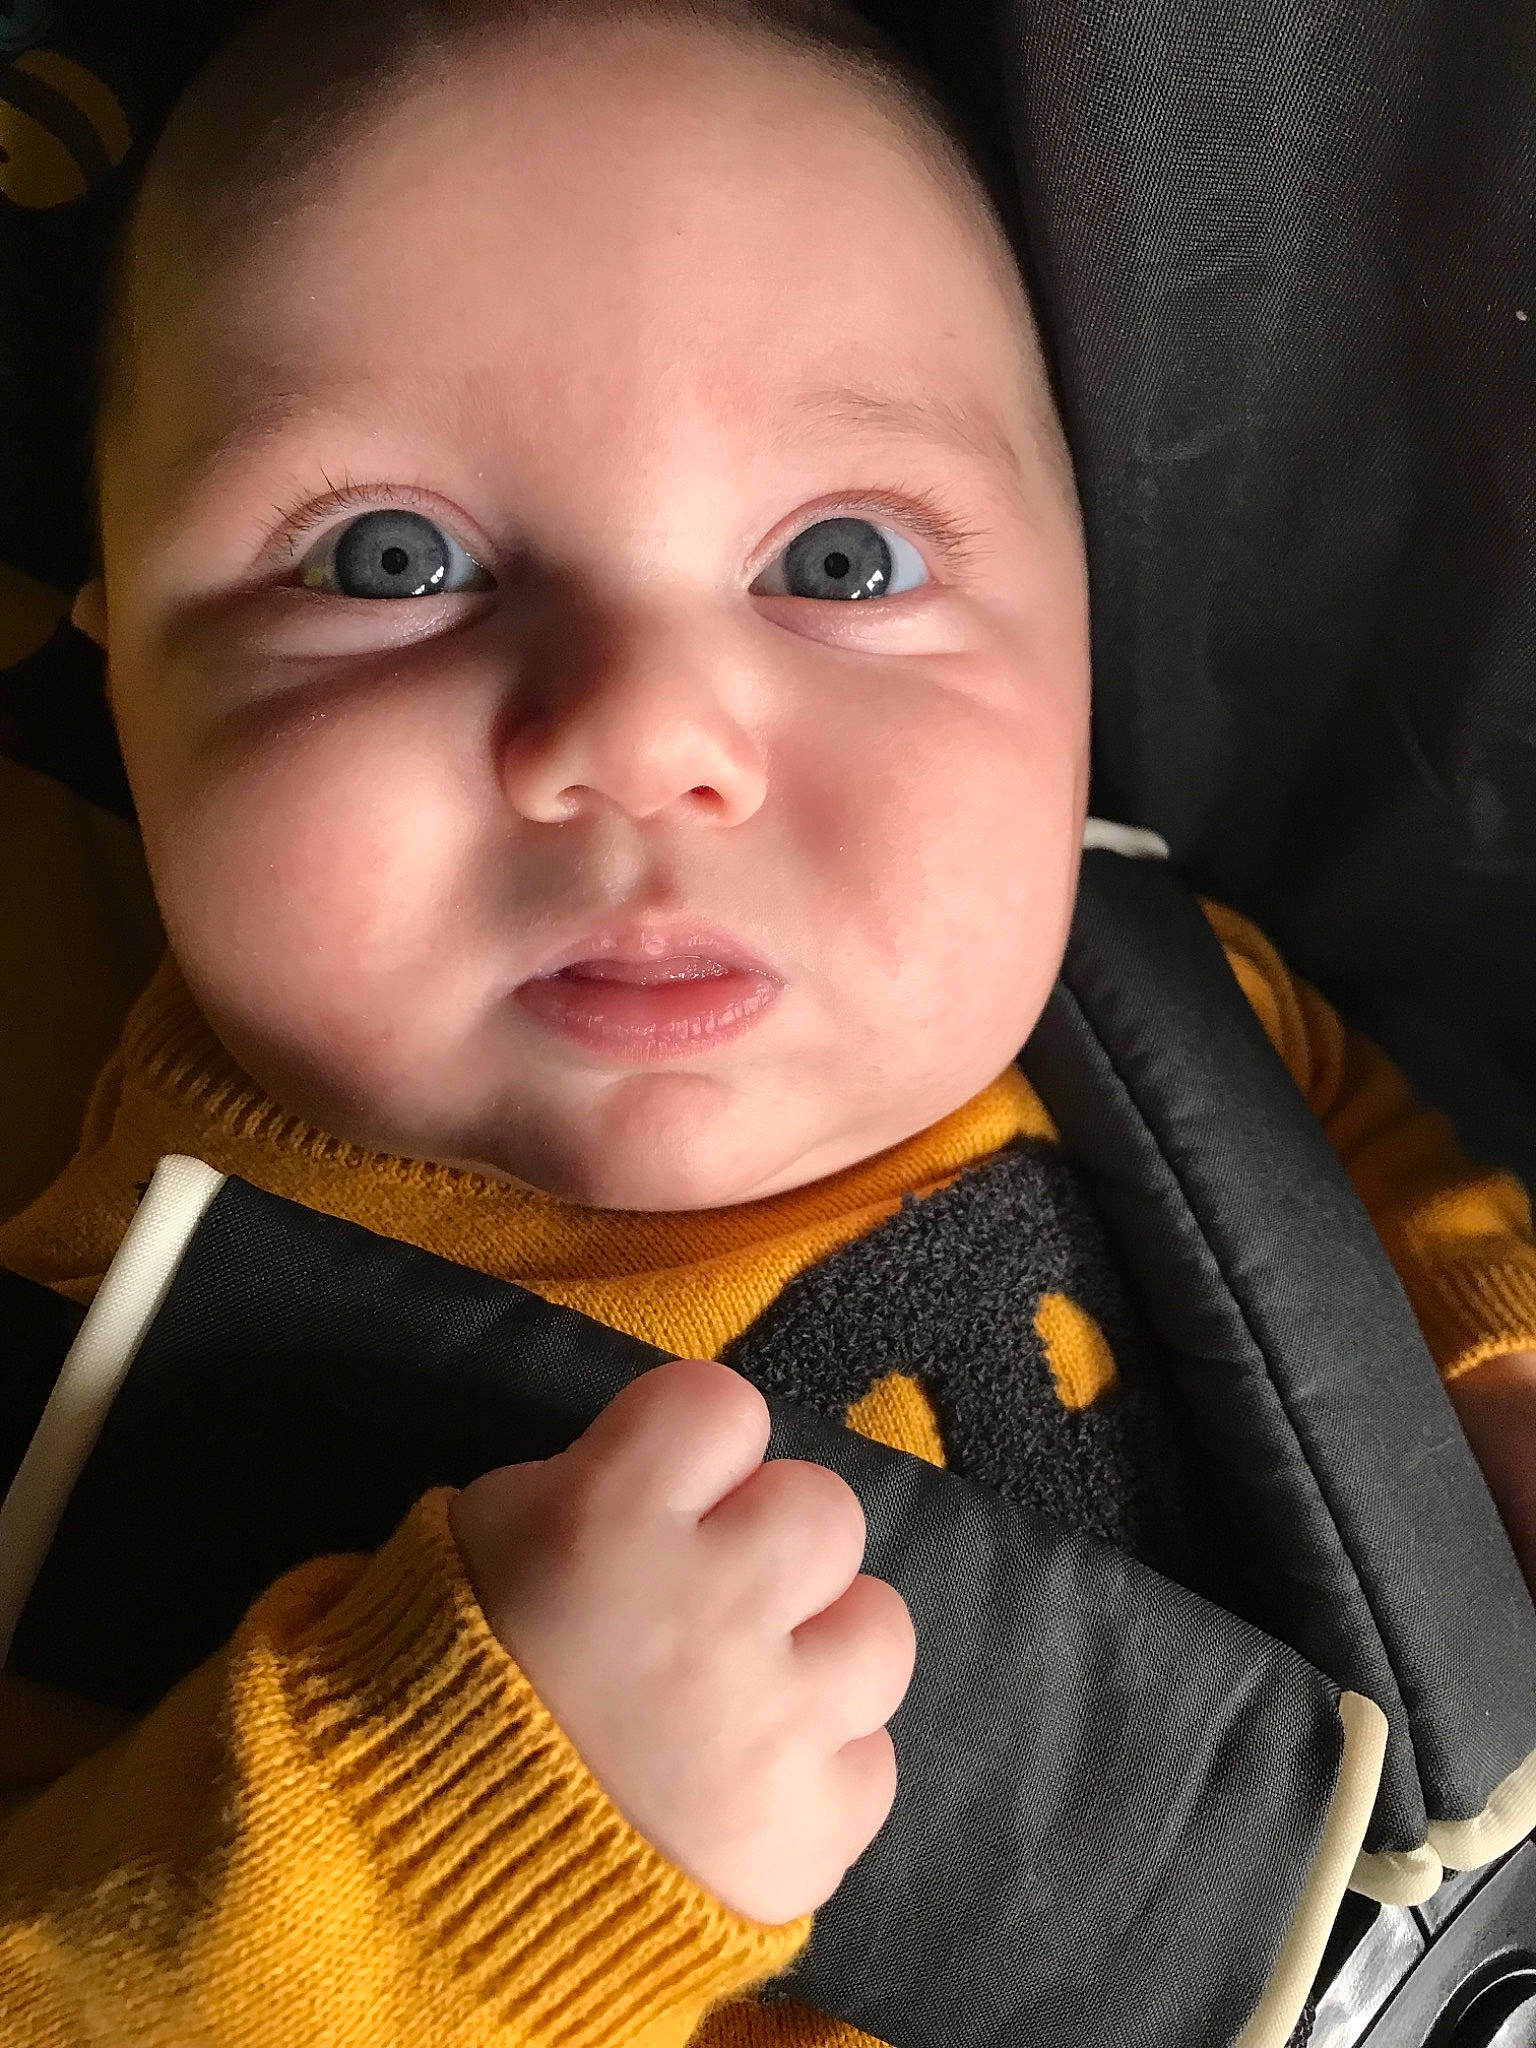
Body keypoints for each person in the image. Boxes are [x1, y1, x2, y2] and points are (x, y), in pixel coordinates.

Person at [1, 0, 1534, 2038]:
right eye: (392, 558)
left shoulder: (1158, 1001)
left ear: (1081, 625)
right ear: (119, 672)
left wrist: (1494, 1367)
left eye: (841, 555)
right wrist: (435, 1847)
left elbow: (1369, 1161)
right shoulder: (83, 1416)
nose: (643, 736)